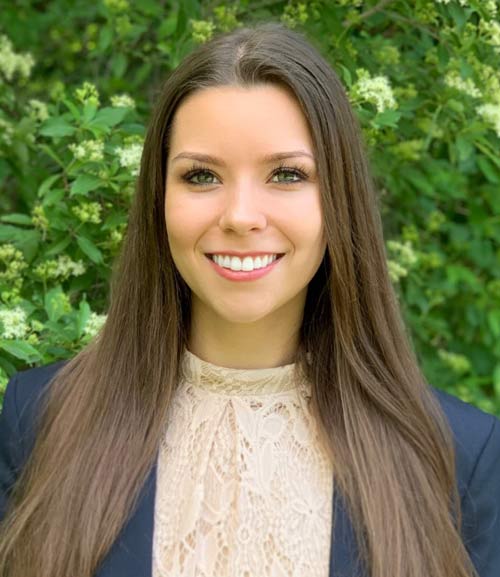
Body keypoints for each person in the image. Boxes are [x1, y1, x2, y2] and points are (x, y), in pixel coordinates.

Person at [0, 21, 499, 577]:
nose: (240, 216)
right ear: (158, 196)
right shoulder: (37, 417)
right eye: (201, 176)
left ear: (339, 197)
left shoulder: (461, 456)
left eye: (286, 175)